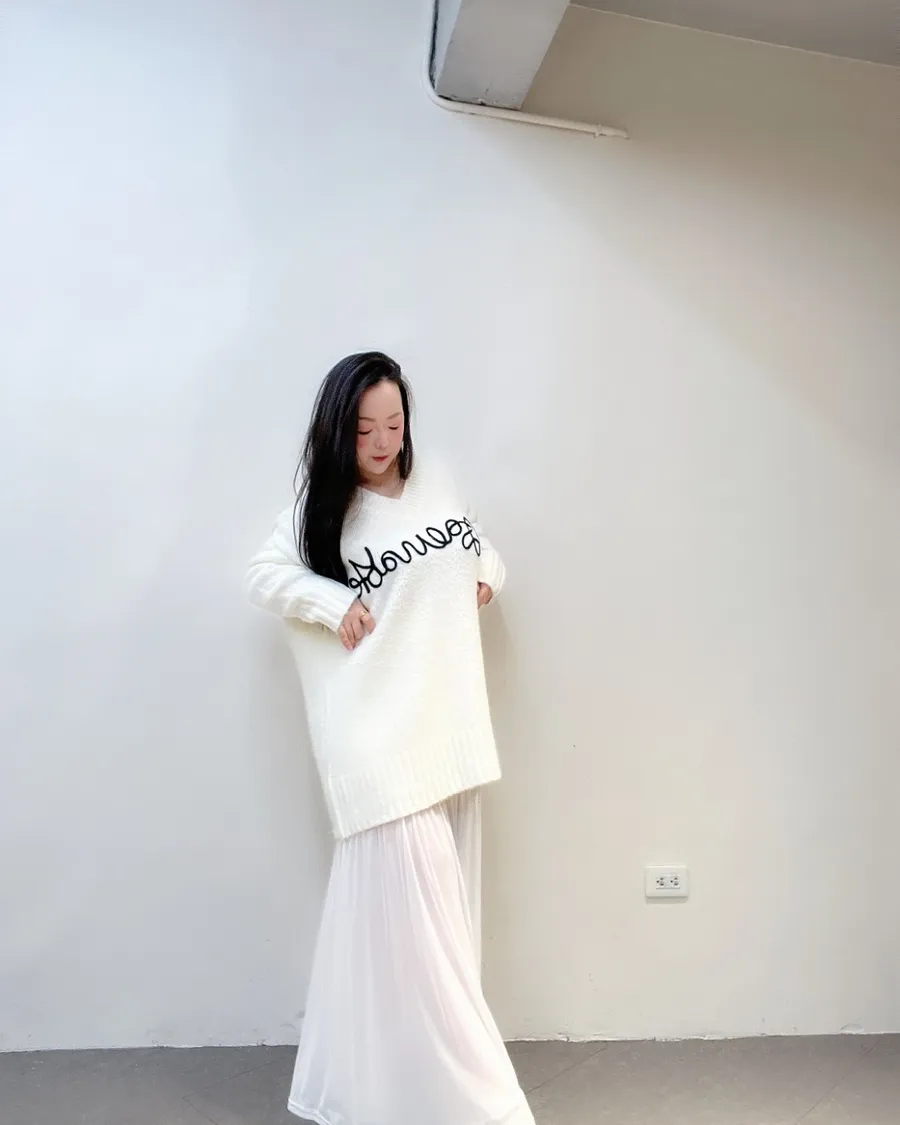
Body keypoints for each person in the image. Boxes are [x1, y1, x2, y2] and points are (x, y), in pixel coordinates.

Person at [246, 351, 534, 1125]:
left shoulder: (434, 485)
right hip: (379, 743)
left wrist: (488, 576)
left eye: (394, 424)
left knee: (435, 942)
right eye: (365, 428)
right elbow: (264, 574)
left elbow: (478, 547)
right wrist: (327, 600)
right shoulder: (325, 509)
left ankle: (403, 1093)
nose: (381, 442)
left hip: (446, 731)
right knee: (428, 944)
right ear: (340, 429)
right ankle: (487, 1107)